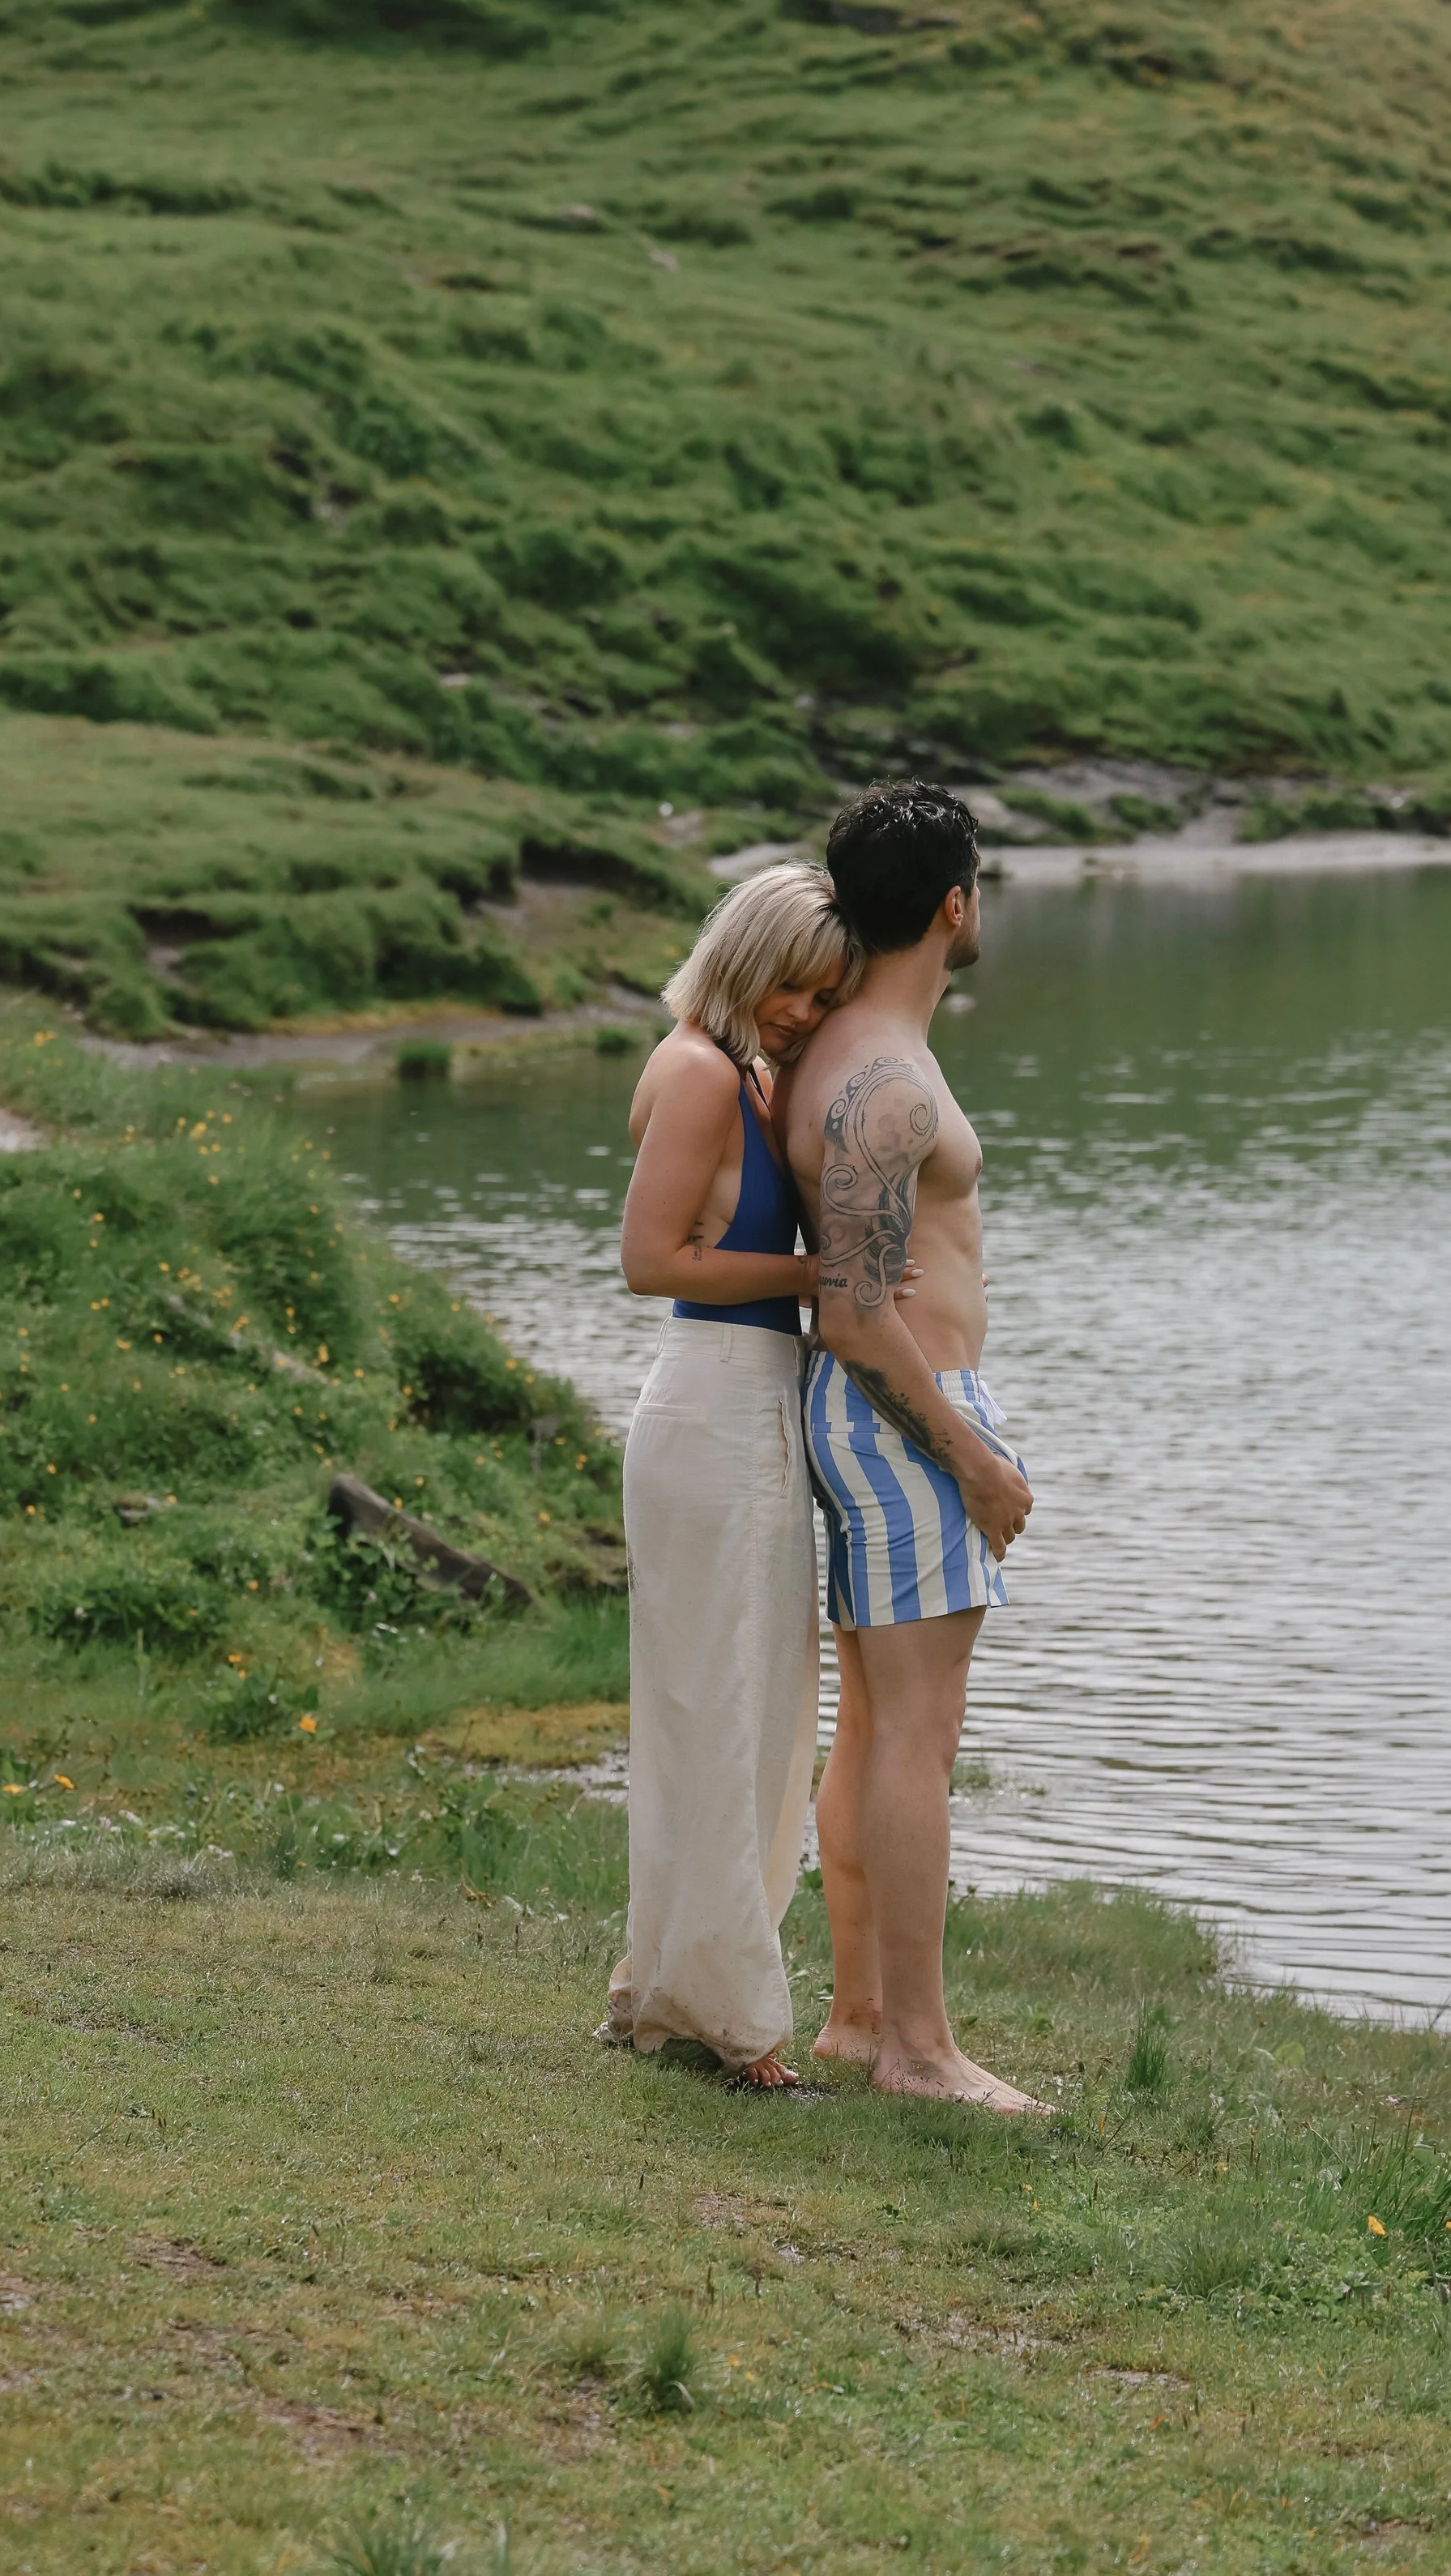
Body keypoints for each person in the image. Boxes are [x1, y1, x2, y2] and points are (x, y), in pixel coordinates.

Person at [785, 783, 1048, 2114]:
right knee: (917, 1735)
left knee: (879, 1720)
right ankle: (919, 2050)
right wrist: (970, 1453)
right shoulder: (886, 1076)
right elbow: (854, 1304)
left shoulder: (849, 1044)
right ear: (955, 902)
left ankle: (858, 2020)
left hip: (886, 1414)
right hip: (904, 1415)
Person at [603, 863, 856, 2088]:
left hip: (747, 1401)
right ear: (751, 965)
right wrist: (819, 1279)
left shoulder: (742, 1069)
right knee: (722, 1704)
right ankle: (733, 2015)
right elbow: (649, 1258)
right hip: (713, 1402)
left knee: (740, 1703)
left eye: (828, 996)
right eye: (801, 990)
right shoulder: (703, 1071)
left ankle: (666, 1979)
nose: (811, 1014)